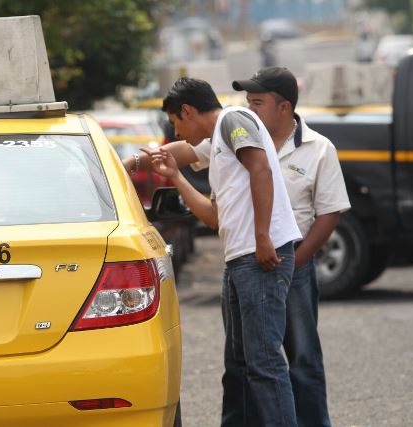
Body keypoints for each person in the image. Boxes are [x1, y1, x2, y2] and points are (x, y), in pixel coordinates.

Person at [125, 67, 350, 427]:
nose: (177, 133)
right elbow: (214, 217)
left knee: (266, 363)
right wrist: (174, 177)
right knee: (242, 365)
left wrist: (263, 237)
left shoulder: (233, 121)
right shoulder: (221, 141)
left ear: (187, 111)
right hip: (241, 261)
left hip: (260, 257)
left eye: (175, 122)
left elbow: (261, 170)